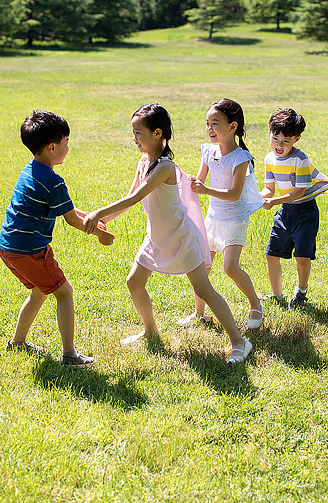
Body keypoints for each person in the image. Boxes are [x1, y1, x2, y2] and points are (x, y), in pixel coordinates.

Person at [83, 103, 252, 366]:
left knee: (204, 290)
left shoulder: (165, 167)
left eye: (139, 133)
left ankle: (240, 342)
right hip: (157, 237)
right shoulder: (143, 162)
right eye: (134, 132)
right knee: (134, 283)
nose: (135, 138)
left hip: (182, 239)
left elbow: (138, 196)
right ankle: (150, 330)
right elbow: (129, 196)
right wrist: (103, 219)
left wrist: (97, 213)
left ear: (158, 133)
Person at [0, 110, 114, 365]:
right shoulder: (53, 182)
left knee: (40, 291)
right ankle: (70, 354)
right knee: (64, 293)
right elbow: (72, 220)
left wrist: (94, 219)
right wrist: (98, 235)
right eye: (66, 142)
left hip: (9, 246)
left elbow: (70, 212)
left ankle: (17, 343)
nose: (68, 147)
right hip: (30, 250)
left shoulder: (30, 171)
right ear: (52, 147)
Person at [180, 98, 264, 330]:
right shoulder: (208, 152)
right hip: (213, 218)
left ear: (232, 127)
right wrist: (189, 181)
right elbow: (200, 179)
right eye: (207, 123)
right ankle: (199, 313)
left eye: (214, 123)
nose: (209, 129)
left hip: (235, 219)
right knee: (202, 267)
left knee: (230, 267)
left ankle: (256, 304)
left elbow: (235, 193)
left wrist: (205, 190)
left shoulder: (241, 158)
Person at [260, 108, 328, 309]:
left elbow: (299, 192)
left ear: (296, 139)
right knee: (272, 254)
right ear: (269, 133)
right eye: (275, 138)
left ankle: (301, 292)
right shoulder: (269, 159)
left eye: (286, 141)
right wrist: (261, 197)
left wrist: (274, 201)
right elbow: (269, 188)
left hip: (305, 213)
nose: (279, 145)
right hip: (285, 213)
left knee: (302, 256)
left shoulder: (300, 159)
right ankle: (277, 294)